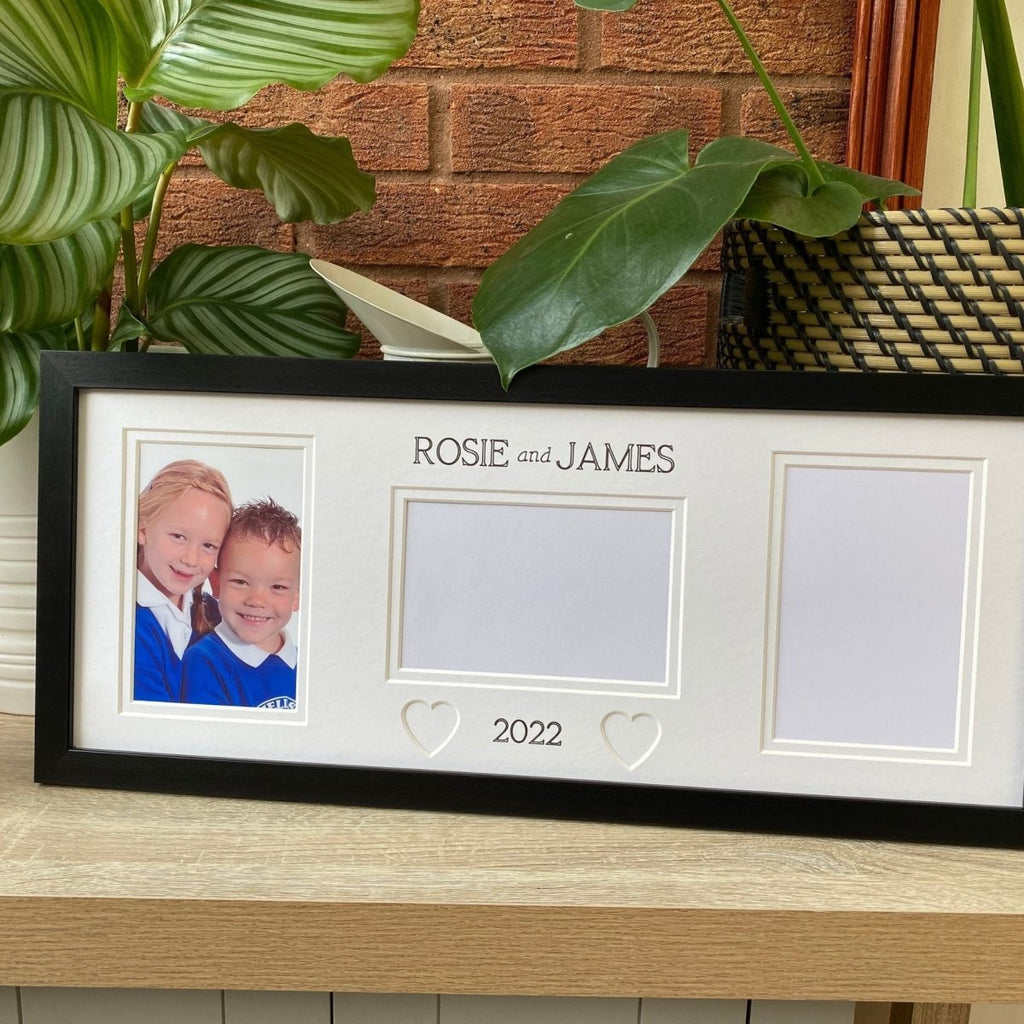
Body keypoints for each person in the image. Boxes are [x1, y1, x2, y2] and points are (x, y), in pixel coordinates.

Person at [181, 498, 301, 709]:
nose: (257, 601)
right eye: (241, 582)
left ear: (297, 596)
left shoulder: (309, 665)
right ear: (216, 584)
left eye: (278, 587)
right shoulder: (204, 662)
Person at [135, 460, 233, 702]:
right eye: (179, 536)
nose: (191, 559)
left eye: (208, 545)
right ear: (142, 529)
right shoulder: (127, 623)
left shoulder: (215, 613)